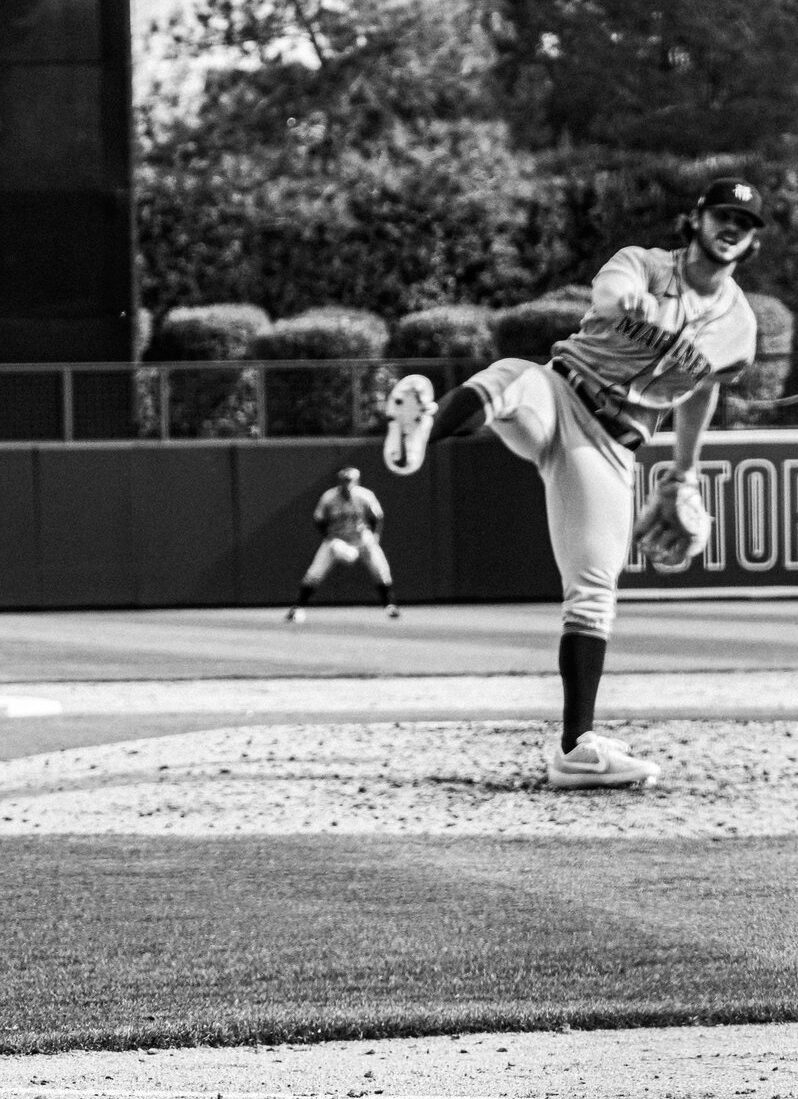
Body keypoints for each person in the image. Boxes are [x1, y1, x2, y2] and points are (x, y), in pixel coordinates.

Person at [377, 179, 765, 792]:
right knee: (510, 378)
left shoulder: (738, 326)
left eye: (744, 222)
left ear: (751, 243)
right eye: (723, 214)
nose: (732, 227)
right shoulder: (641, 264)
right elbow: (612, 293)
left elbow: (703, 388)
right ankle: (422, 433)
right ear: (696, 220)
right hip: (561, 392)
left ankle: (574, 748)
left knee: (593, 588)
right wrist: (628, 302)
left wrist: (683, 476)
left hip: (610, 447)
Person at [287, 465, 397, 622]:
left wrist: (375, 536)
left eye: (350, 480)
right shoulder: (329, 497)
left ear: (356, 481)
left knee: (381, 569)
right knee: (314, 573)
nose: (347, 483)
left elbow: (377, 517)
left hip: (360, 538)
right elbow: (319, 519)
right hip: (337, 539)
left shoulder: (365, 495)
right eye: (344, 480)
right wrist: (329, 538)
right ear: (340, 481)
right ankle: (297, 608)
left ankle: (390, 606)